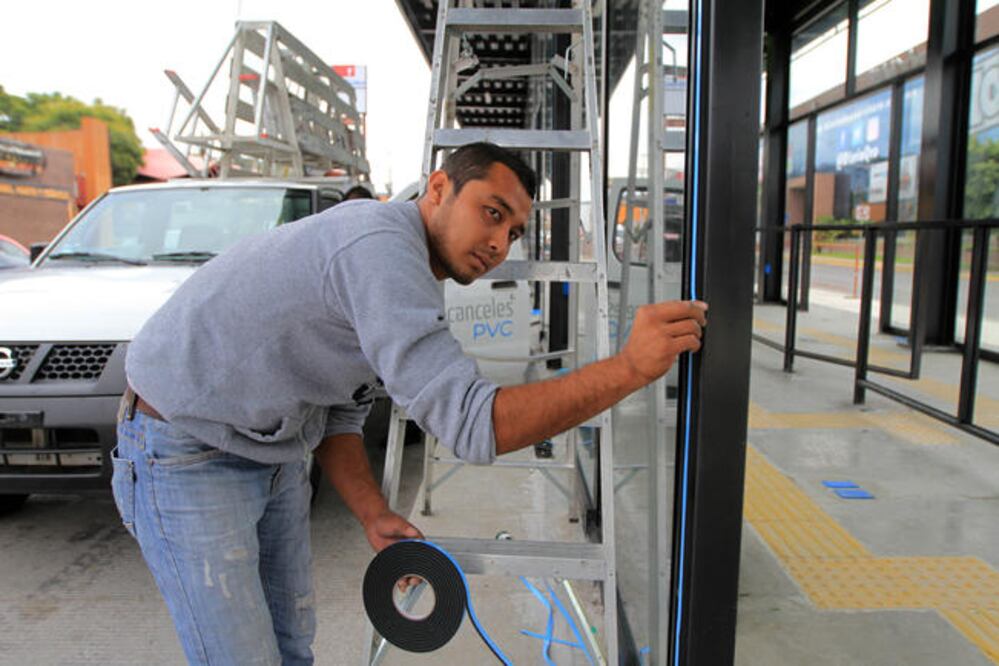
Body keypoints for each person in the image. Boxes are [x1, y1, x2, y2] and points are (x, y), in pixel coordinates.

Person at [111, 142, 707, 665]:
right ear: (440, 188)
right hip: (181, 449)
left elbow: (339, 410)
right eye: (492, 214)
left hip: (270, 447)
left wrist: (373, 512)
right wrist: (629, 369)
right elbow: (473, 426)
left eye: (515, 232)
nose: (500, 243)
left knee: (293, 649)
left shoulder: (408, 270)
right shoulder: (379, 249)